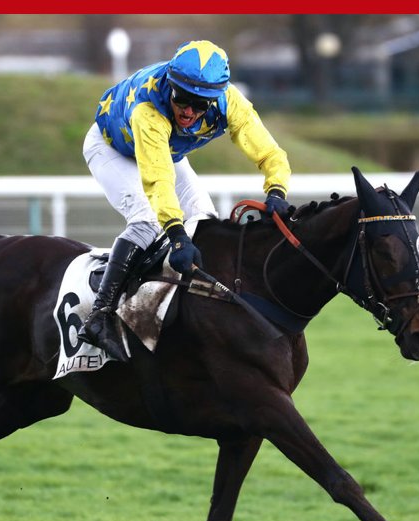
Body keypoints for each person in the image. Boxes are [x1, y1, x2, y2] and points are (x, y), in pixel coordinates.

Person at [78, 39, 292, 361]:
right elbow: (158, 180)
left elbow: (269, 152)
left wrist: (277, 190)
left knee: (204, 220)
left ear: (216, 98)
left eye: (200, 104)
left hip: (169, 150)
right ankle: (100, 316)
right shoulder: (149, 108)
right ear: (171, 86)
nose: (189, 111)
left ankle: (190, 312)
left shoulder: (231, 101)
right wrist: (176, 234)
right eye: (181, 99)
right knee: (148, 222)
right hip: (113, 148)